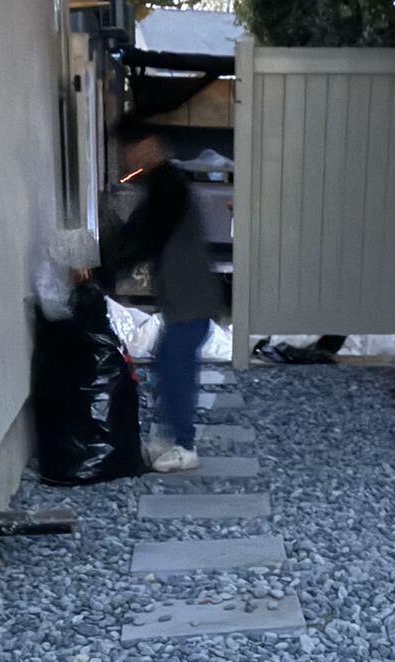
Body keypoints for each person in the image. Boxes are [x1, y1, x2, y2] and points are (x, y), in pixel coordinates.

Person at [104, 115, 222, 473]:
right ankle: (173, 438)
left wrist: (102, 271)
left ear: (148, 147)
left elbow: (145, 236)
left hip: (191, 298)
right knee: (170, 366)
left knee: (175, 369)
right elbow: (142, 235)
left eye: (128, 151)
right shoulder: (163, 182)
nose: (125, 160)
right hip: (187, 298)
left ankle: (184, 446)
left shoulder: (167, 185)